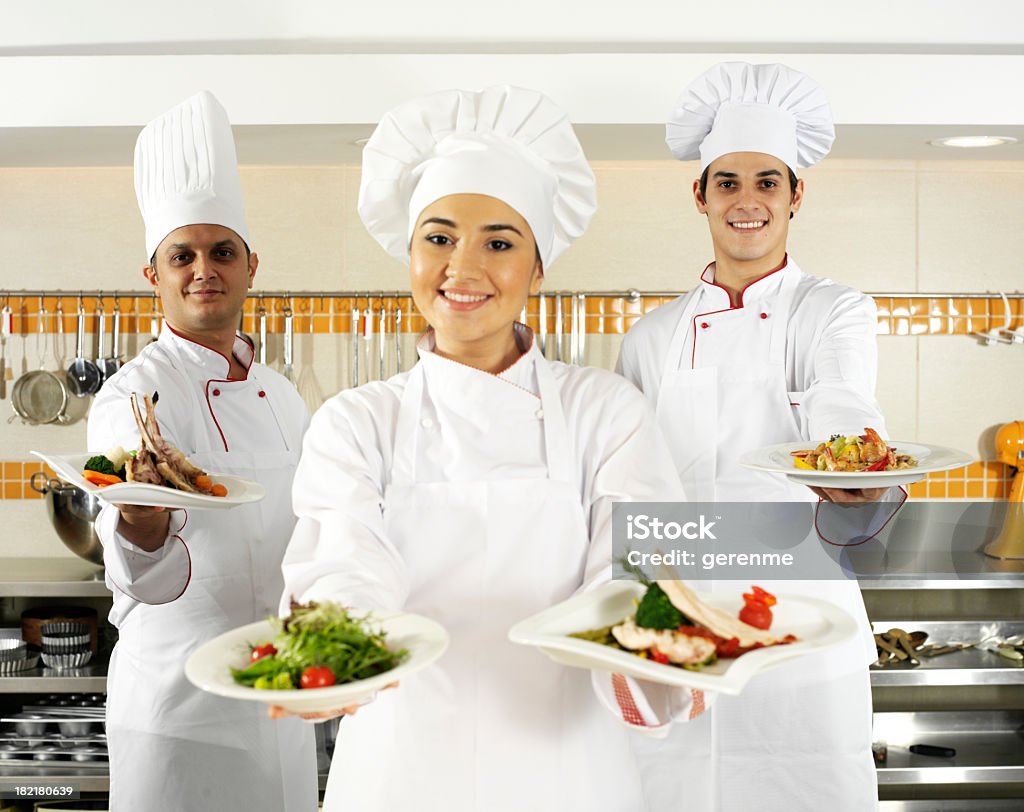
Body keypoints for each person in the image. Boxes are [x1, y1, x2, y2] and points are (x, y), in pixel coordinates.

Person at [278, 85, 685, 811]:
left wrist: (661, 654)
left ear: (537, 268)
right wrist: (334, 656)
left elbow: (636, 574)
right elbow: (344, 561)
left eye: (499, 242)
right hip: (399, 770)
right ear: (408, 254)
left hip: (568, 772)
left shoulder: (607, 412)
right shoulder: (354, 421)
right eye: (438, 237)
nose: (461, 269)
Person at [616, 63, 892, 810]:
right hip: (680, 626)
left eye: (767, 182)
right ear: (700, 195)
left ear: (796, 194)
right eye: (728, 183)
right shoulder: (651, 336)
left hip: (800, 617)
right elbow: (626, 488)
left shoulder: (831, 310)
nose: (747, 201)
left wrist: (849, 460)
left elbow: (841, 396)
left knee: (804, 788)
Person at [88, 90, 318, 812]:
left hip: (277, 704)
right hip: (180, 718)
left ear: (251, 265)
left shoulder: (283, 396)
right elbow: (140, 581)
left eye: (221, 252)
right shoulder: (132, 398)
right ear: (153, 275)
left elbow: (312, 528)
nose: (203, 270)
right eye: (181, 255)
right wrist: (142, 527)